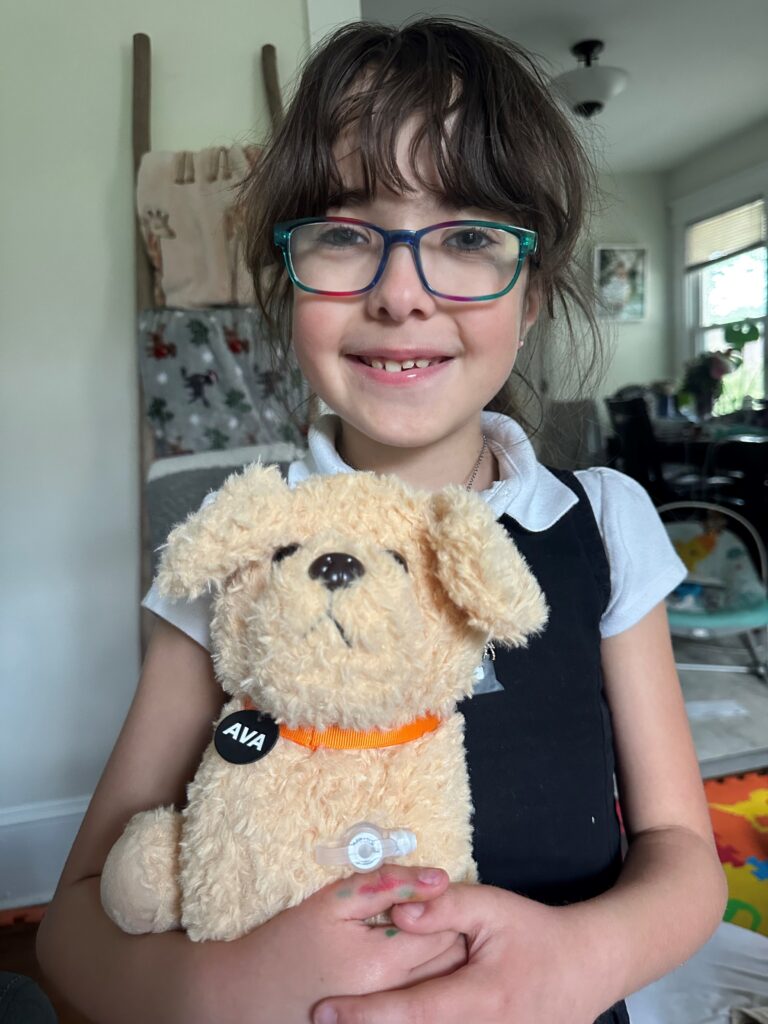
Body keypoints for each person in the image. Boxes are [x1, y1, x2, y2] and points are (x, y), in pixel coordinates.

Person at [37, 18, 727, 1024]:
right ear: (287, 278)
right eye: (346, 234)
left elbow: (685, 856)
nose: (402, 294)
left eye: (470, 237)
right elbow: (70, 926)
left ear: (533, 292)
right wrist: (221, 987)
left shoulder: (605, 522)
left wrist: (579, 960)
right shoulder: (241, 542)